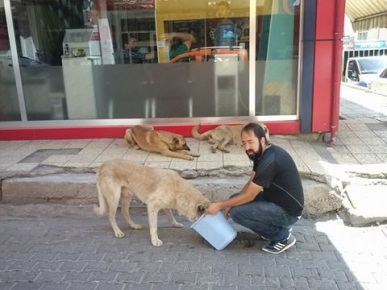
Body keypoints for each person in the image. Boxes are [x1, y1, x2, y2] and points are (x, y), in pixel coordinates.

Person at [206, 122, 304, 254]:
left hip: (288, 212)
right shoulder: (262, 154)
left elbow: (249, 196)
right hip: (274, 200)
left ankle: (282, 237)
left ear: (262, 140)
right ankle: (272, 228)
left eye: (250, 142)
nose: (247, 147)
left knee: (237, 213)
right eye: (244, 143)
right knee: (234, 200)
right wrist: (228, 203)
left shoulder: (270, 160)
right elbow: (251, 182)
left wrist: (219, 205)